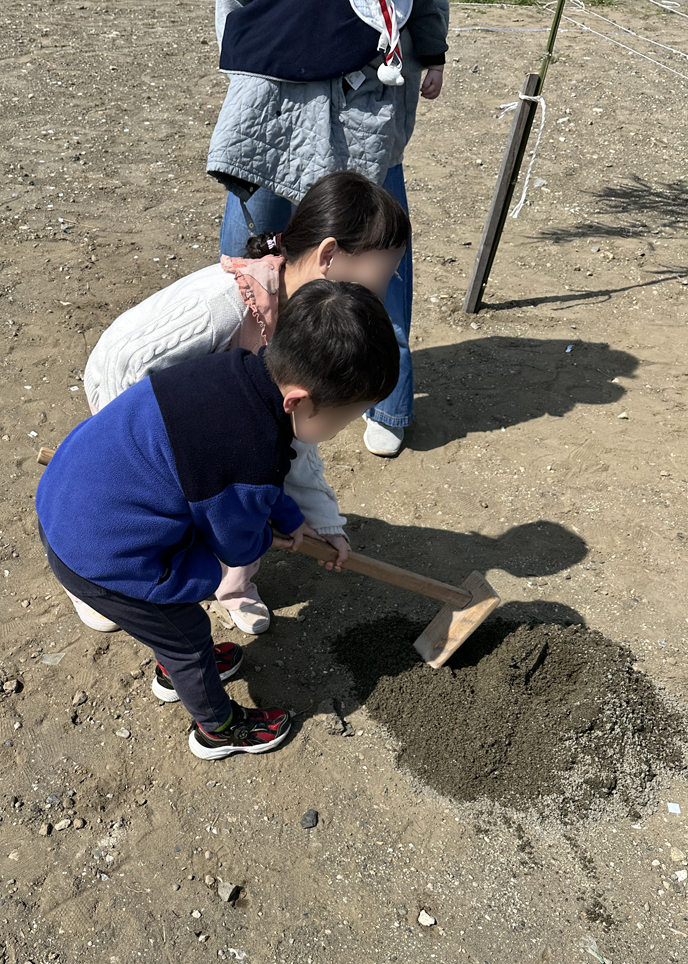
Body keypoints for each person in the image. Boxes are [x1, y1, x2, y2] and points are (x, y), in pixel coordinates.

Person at [37, 281, 399, 760]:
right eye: (344, 418)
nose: (339, 432)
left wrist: (291, 519)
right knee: (185, 635)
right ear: (298, 401)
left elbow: (260, 484)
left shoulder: (237, 372)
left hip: (68, 500)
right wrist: (264, 538)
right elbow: (234, 544)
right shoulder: (246, 454)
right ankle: (218, 727)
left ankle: (182, 664)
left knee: (178, 624)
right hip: (101, 554)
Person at [80, 169, 409, 637]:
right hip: (137, 412)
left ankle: (234, 585)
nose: (387, 290)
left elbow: (294, 433)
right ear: (331, 257)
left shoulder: (308, 323)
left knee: (253, 480)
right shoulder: (223, 307)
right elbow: (123, 363)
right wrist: (133, 455)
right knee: (192, 506)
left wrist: (320, 518)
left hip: (213, 418)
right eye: (385, 275)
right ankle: (100, 577)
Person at [208, 0, 448, 458]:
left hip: (368, 80)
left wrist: (432, 50)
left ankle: (389, 407)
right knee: (248, 259)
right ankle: (234, 389)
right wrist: (241, 45)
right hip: (273, 74)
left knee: (376, 256)